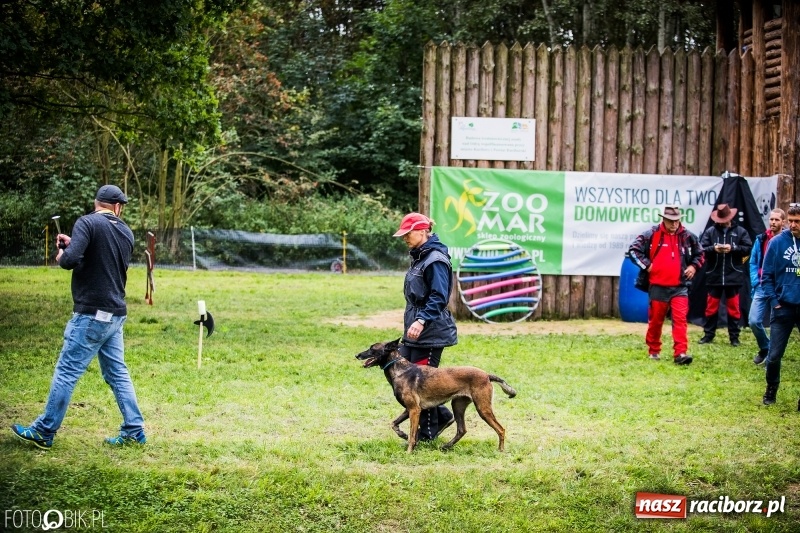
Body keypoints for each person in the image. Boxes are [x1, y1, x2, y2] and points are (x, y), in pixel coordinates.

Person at [11, 184, 146, 448]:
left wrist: (64, 253)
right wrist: (77, 246)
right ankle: (134, 430)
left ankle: (44, 430)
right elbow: (103, 262)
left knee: (67, 371)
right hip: (116, 313)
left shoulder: (87, 223)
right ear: (117, 207)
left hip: (91, 313)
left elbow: (70, 261)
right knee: (117, 373)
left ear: (97, 203)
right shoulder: (126, 232)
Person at [393, 212, 458, 440]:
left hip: (431, 329)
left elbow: (439, 297)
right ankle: (443, 415)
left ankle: (427, 433)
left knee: (424, 382)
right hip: (414, 327)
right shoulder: (420, 256)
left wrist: (421, 320)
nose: (405, 238)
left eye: (407, 233)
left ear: (422, 231)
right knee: (401, 373)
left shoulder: (435, 259)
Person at [628, 206, 704, 365]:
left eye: (677, 220)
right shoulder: (651, 234)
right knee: (656, 321)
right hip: (657, 286)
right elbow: (633, 251)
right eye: (671, 221)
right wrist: (647, 265)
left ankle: (681, 353)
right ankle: (654, 350)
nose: (674, 224)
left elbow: (700, 254)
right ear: (663, 219)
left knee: (680, 320)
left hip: (680, 286)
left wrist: (693, 266)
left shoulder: (688, 236)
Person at [760, 203, 800, 406]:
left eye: (797, 222)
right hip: (783, 306)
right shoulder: (776, 243)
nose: (793, 225)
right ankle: (771, 389)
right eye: (791, 221)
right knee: (774, 355)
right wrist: (774, 302)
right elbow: (765, 276)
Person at [698, 204, 753, 346]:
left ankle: (734, 338)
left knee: (734, 309)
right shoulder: (710, 232)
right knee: (711, 307)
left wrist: (733, 248)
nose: (720, 222)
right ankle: (708, 335)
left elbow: (748, 249)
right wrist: (714, 249)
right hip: (714, 275)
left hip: (733, 275)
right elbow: (701, 249)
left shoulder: (741, 232)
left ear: (730, 218)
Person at [749, 208, 787, 364]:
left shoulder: (787, 240)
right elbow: (752, 261)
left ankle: (772, 357)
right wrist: (756, 281)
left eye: (777, 220)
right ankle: (766, 347)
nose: (773, 222)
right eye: (771, 219)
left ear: (783, 222)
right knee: (753, 321)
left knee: (776, 324)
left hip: (780, 288)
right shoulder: (761, 239)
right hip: (762, 286)